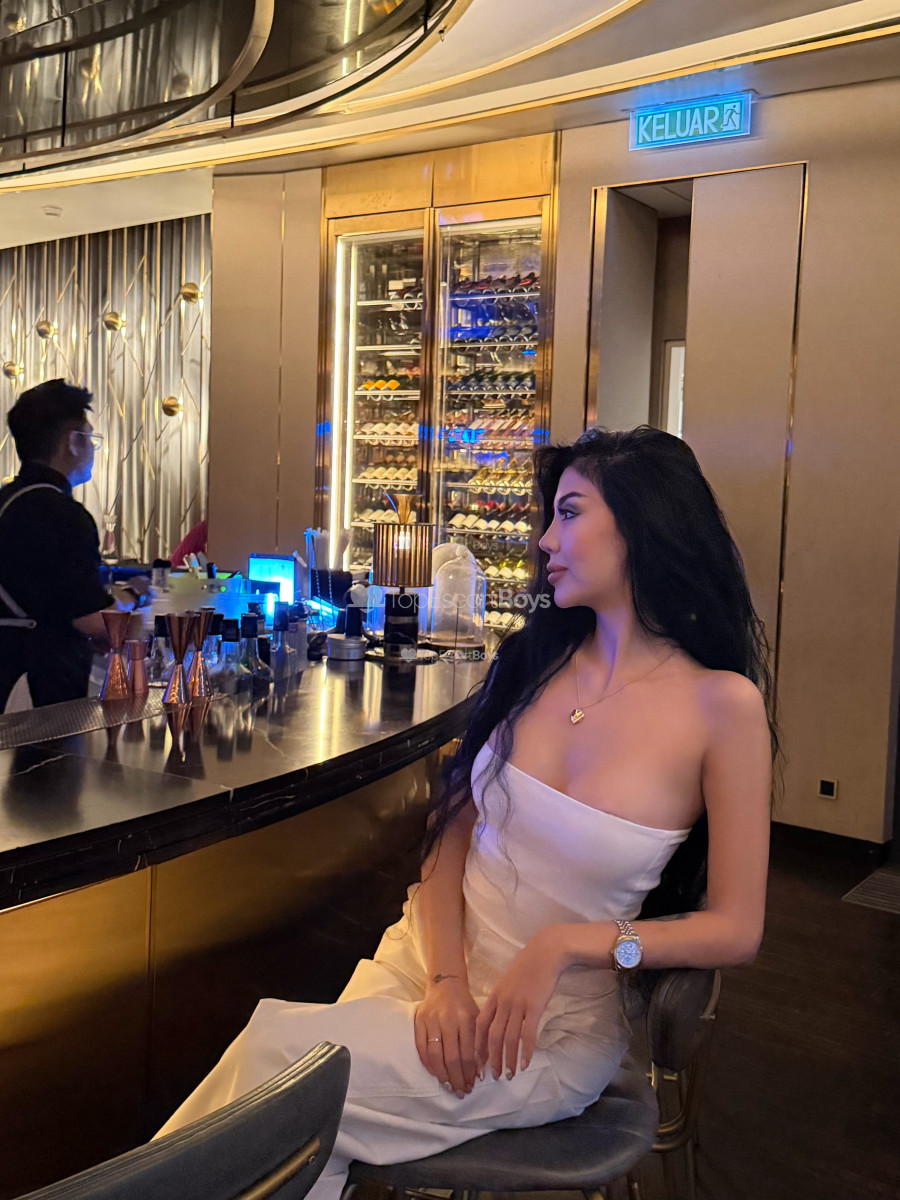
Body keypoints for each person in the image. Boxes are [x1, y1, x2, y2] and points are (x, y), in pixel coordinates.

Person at [156, 426, 775, 1200]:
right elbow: (452, 830)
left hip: (535, 1028)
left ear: (643, 524)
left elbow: (736, 929)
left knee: (280, 1074)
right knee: (299, 1134)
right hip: (424, 959)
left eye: (570, 513)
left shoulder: (722, 708)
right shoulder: (534, 661)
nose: (545, 539)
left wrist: (566, 946)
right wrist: (446, 977)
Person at [0, 379, 143, 711]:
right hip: (37, 692)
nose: (92, 448)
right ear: (74, 442)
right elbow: (95, 621)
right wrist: (133, 597)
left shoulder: (7, 500)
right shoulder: (62, 514)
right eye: (90, 438)